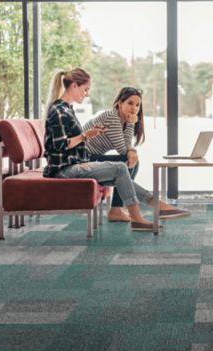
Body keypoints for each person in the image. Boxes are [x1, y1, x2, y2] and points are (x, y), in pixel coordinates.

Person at [42, 68, 154, 231]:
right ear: (74, 85)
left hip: (75, 163)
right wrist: (86, 135)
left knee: (122, 169)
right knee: (121, 166)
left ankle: (147, 207)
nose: (86, 94)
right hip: (63, 169)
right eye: (85, 89)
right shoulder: (59, 111)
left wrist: (83, 157)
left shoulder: (67, 109)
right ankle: (143, 211)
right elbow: (60, 145)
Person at [82, 87, 189, 222]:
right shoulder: (112, 117)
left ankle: (117, 209)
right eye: (130, 103)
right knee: (129, 161)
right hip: (83, 158)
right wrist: (132, 126)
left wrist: (131, 148)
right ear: (120, 103)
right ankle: (121, 208)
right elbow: (123, 150)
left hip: (92, 156)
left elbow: (126, 148)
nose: (134, 108)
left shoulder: (122, 120)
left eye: (138, 105)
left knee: (131, 161)